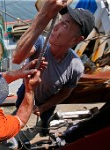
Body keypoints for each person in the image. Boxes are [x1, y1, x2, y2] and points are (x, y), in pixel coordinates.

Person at [12, 0, 95, 135]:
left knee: (46, 119)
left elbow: (65, 92)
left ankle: (44, 127)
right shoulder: (39, 43)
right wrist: (43, 16)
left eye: (65, 25)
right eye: (60, 20)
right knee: (18, 111)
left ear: (77, 40)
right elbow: (17, 57)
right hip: (25, 90)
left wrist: (44, 107)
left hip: (47, 100)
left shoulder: (76, 66)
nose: (56, 26)